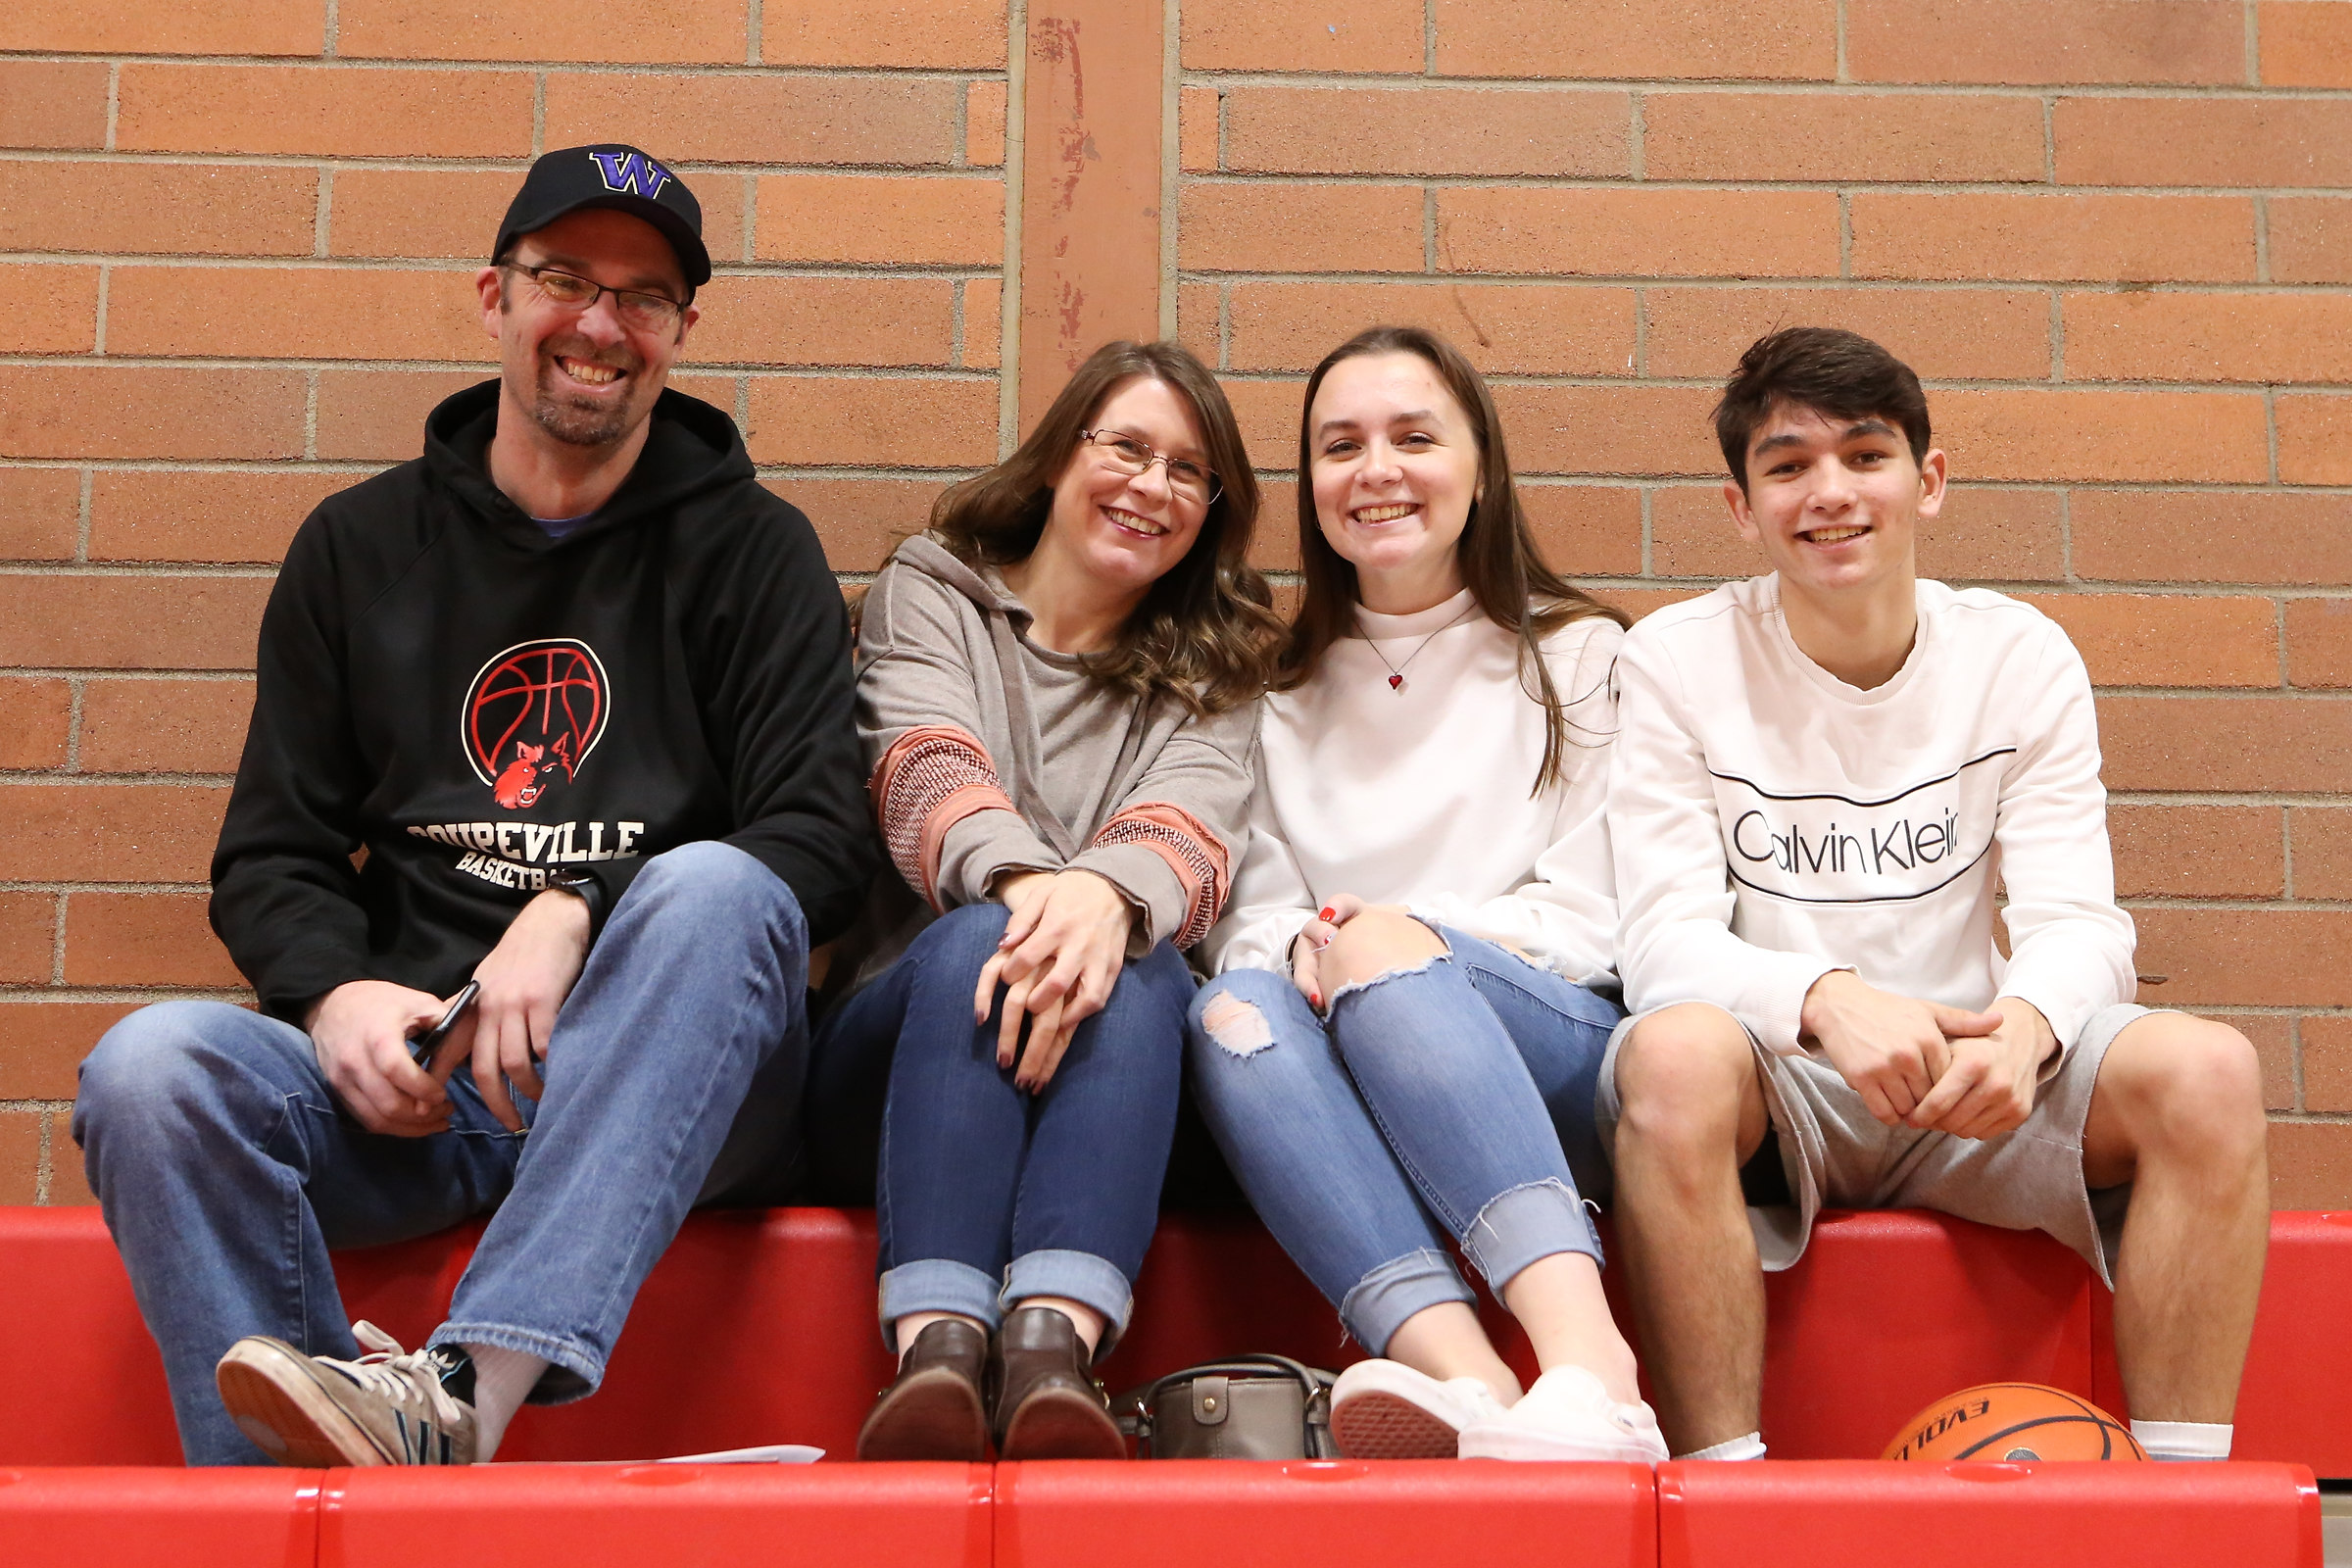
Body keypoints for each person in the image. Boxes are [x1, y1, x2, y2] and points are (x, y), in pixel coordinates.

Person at [71, 144, 876, 1467]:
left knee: (719, 883)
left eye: (643, 296)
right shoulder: (358, 546)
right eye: (565, 279)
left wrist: (578, 907)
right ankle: (295, 1496)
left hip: (675, 1089)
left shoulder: (755, 550)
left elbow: (822, 842)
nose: (600, 323)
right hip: (429, 1094)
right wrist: (334, 998)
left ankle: (462, 1396)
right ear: (494, 297)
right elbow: (273, 853)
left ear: (682, 331)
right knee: (152, 1070)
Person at [1601, 325, 2269, 1464]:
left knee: (2211, 1070)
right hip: (1787, 1085)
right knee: (1667, 1055)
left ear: (1930, 479)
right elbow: (1661, 942)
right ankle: (1723, 1498)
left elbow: (2079, 922)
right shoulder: (1675, 659)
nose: (1830, 491)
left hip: (1979, 1084)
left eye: (1866, 455)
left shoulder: (2019, 655)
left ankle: (2181, 1506)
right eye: (1789, 465)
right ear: (1741, 507)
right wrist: (1827, 1000)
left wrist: (2026, 1027)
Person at [1186, 325, 1667, 1464]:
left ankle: (1599, 1376)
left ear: (1482, 466)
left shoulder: (1581, 657)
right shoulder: (1271, 684)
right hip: (1337, 1024)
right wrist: (1319, 949)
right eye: (1340, 446)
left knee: (1383, 952)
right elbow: (1249, 919)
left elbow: (1596, 920)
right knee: (1228, 1011)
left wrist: (1396, 936)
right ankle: (1473, 1386)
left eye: (1414, 438)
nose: (1377, 471)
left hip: (1546, 1047)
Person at [805, 340, 1279, 1461]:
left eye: (1189, 471)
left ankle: (1050, 1354)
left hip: (1111, 1060)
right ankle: (934, 1357)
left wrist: (1111, 906)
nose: (1153, 486)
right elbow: (922, 766)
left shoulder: (1221, 653)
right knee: (990, 934)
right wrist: (1046, 896)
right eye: (1128, 448)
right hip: (895, 1057)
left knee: (1142, 955)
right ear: (1062, 454)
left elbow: (1193, 824)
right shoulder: (936, 588)